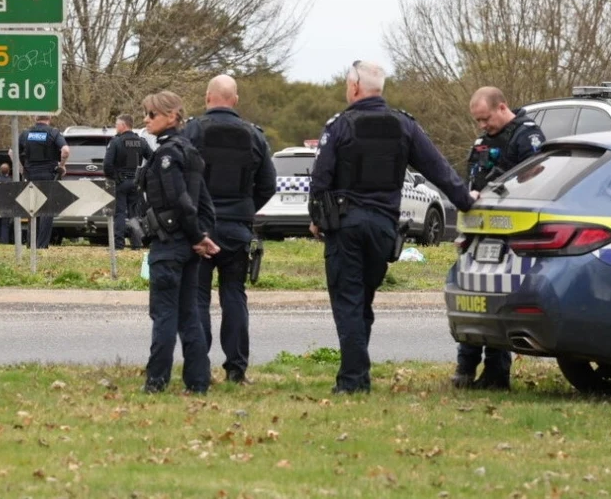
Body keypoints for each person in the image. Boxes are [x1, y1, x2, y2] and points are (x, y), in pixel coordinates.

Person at [308, 60, 476, 394]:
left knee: (348, 302)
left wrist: (316, 218)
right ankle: (357, 375)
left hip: (347, 227)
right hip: (384, 229)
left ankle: (353, 382)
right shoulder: (404, 126)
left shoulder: (340, 126)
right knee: (363, 301)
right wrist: (466, 201)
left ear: (355, 87)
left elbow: (321, 178)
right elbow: (438, 168)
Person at [184, 74, 276, 385]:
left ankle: (199, 368)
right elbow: (268, 184)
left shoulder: (193, 130)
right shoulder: (254, 135)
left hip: (200, 229)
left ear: (207, 98)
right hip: (237, 228)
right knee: (234, 295)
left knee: (197, 297)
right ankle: (236, 370)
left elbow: (179, 178)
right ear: (234, 100)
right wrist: (245, 207)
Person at [453, 86, 546, 390]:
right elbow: (473, 177)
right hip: (479, 228)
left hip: (508, 230)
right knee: (471, 297)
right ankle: (465, 369)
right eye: (477, 121)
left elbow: (536, 177)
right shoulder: (483, 140)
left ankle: (495, 374)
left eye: (485, 119)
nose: (482, 126)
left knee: (497, 301)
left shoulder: (527, 136)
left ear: (502, 107)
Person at [136, 90, 220, 394]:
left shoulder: (168, 155)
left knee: (165, 315)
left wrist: (199, 236)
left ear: (172, 116)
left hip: (170, 246)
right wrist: (203, 237)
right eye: (145, 114)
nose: (146, 120)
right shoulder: (191, 151)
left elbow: (182, 201)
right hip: (189, 247)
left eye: (152, 114)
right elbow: (206, 203)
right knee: (189, 315)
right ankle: (198, 383)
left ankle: (156, 381)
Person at [16, 115, 69, 249]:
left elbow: (12, 152)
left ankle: (30, 243)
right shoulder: (53, 132)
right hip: (48, 175)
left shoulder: (26, 133)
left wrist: (22, 168)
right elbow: (65, 150)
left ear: (35, 118)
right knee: (47, 209)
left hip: (31, 174)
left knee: (33, 207)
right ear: (49, 118)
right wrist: (61, 166)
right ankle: (41, 245)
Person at [104, 114, 154, 250]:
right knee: (134, 214)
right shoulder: (141, 141)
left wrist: (115, 177)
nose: (115, 127)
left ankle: (118, 245)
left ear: (123, 125)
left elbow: (107, 165)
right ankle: (136, 243)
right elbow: (153, 159)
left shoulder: (116, 142)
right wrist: (143, 174)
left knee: (119, 213)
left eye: (116, 125)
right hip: (136, 183)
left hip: (121, 182)